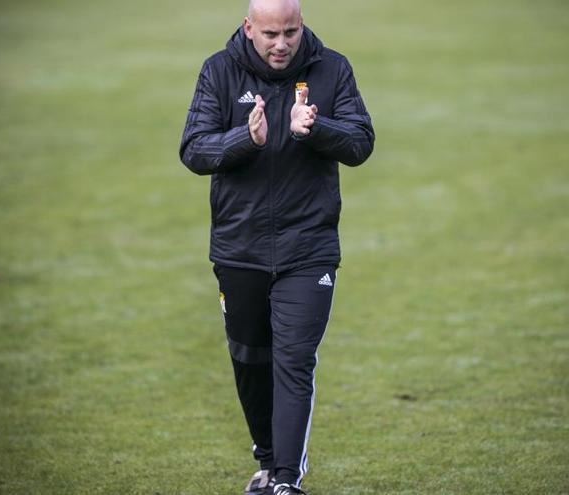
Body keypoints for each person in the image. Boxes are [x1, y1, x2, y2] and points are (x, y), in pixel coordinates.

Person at [179, 0, 374, 493]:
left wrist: (317, 129)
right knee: (249, 357)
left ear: (301, 25)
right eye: (269, 33)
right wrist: (245, 139)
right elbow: (193, 148)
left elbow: (360, 142)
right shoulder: (218, 72)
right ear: (249, 28)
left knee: (293, 360)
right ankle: (266, 460)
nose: (281, 43)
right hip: (238, 248)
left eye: (289, 31)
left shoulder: (332, 69)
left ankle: (286, 480)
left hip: (308, 250)